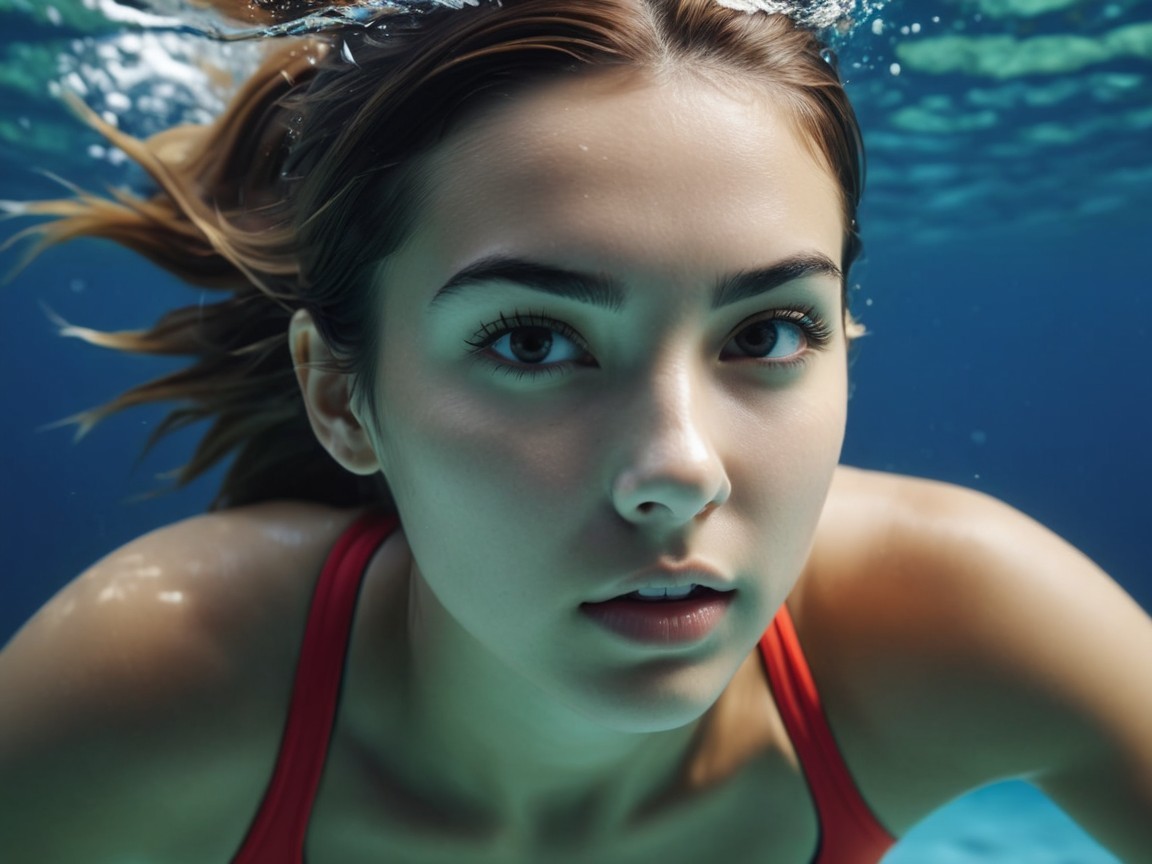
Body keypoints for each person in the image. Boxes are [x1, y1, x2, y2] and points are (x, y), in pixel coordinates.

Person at [1, 1, 1149, 861]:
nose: (678, 472)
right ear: (343, 396)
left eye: (766, 335)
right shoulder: (152, 684)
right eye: (533, 344)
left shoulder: (962, 619)